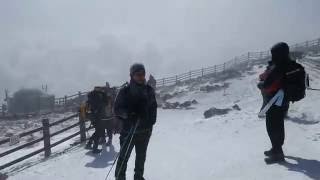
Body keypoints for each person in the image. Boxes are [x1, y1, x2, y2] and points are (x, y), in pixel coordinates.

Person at [114, 63, 157, 180]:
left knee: (141, 158)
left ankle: (138, 177)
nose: (141, 77)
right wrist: (128, 115)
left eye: (143, 74)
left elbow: (153, 108)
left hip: (144, 131)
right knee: (123, 157)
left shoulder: (149, 91)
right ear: (132, 75)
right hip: (128, 131)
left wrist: (150, 122)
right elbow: (117, 109)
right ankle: (120, 177)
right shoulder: (125, 91)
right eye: (138, 74)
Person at [258, 42, 291, 163]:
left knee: (272, 126)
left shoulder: (279, 67)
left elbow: (267, 84)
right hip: (282, 99)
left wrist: (261, 84)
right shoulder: (287, 64)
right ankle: (276, 148)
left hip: (275, 99)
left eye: (274, 53)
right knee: (278, 124)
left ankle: (278, 154)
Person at [85, 86, 108, 153]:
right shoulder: (98, 96)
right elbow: (105, 103)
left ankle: (89, 144)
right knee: (98, 132)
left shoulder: (91, 96)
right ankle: (94, 149)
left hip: (93, 117)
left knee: (98, 131)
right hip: (98, 117)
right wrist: (104, 94)